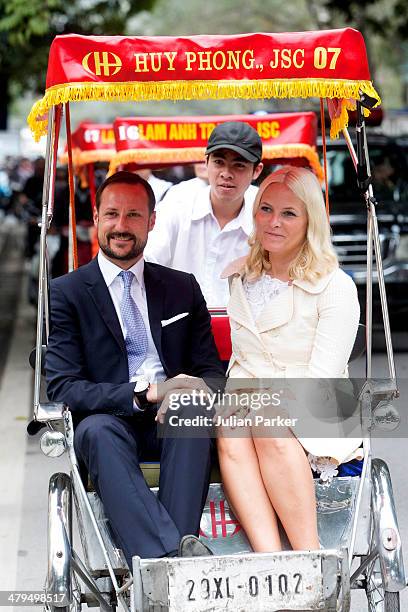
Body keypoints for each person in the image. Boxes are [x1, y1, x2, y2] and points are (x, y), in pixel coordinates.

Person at [45, 171, 225, 568]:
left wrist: (189, 389)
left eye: (133, 215)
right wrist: (144, 395)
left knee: (193, 408)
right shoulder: (66, 294)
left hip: (176, 421)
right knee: (97, 430)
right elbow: (62, 388)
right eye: (112, 215)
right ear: (96, 218)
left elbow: (212, 372)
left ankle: (161, 567)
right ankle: (176, 559)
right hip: (109, 420)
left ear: (152, 221)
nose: (121, 226)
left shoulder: (182, 287)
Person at [216, 166, 361, 553]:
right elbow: (242, 363)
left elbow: (322, 379)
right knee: (229, 425)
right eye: (266, 209)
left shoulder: (334, 286)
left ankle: (311, 559)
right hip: (254, 406)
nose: (273, 222)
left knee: (266, 421)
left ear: (310, 220)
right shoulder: (241, 280)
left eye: (289, 213)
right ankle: (274, 564)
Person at [144, 121, 263, 307]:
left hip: (245, 329)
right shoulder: (178, 203)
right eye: (219, 162)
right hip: (181, 326)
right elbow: (148, 260)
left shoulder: (265, 212)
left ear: (257, 171)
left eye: (239, 165)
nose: (226, 173)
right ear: (205, 162)